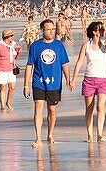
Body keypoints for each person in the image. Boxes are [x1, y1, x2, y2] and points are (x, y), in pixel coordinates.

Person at [24, 19, 72, 148]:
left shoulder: (58, 45)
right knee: (38, 105)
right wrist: (26, 85)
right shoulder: (35, 46)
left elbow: (64, 63)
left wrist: (68, 79)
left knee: (52, 109)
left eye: (52, 29)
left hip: (54, 83)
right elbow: (29, 65)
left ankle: (50, 134)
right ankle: (38, 138)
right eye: (48, 29)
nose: (51, 31)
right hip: (38, 81)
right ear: (42, 30)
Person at [69, 21, 106, 143]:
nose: (103, 31)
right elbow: (79, 63)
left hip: (103, 79)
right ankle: (89, 135)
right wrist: (73, 79)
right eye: (101, 30)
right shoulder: (86, 46)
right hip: (89, 80)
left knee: (100, 107)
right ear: (94, 32)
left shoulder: (105, 44)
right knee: (89, 108)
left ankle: (100, 134)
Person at [0, 28, 22, 112]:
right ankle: (3, 106)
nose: (12, 37)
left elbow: (16, 58)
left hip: (11, 68)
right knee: (3, 87)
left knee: (12, 88)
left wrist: (19, 52)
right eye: (11, 36)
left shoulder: (14, 45)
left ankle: (8, 102)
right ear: (6, 37)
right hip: (1, 69)